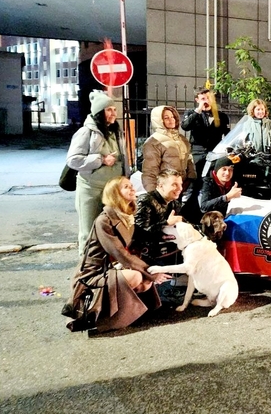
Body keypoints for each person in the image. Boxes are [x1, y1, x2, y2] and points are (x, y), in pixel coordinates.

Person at [61, 176, 171, 333]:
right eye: (126, 186)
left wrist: (163, 234)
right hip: (95, 272)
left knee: (145, 282)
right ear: (115, 194)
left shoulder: (126, 216)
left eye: (131, 185)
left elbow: (142, 235)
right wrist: (151, 271)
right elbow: (120, 253)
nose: (132, 188)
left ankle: (125, 314)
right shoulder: (104, 220)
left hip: (114, 266)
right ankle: (105, 318)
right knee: (137, 277)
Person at [67, 90, 130, 256]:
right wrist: (101, 160)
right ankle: (87, 265)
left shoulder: (116, 131)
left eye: (114, 110)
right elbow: (73, 160)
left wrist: (126, 177)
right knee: (89, 229)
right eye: (109, 110)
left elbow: (123, 157)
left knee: (112, 228)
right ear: (99, 112)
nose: (113, 113)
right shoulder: (86, 132)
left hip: (112, 190)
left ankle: (107, 263)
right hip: (91, 188)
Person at [133, 169, 184, 265]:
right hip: (149, 255)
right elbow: (140, 233)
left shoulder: (175, 204)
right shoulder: (145, 201)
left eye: (180, 184)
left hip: (171, 250)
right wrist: (166, 223)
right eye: (174, 184)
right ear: (161, 186)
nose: (180, 188)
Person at [141, 105, 196, 194]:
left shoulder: (182, 139)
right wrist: (153, 193)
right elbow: (150, 170)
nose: (171, 120)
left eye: (173, 117)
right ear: (159, 120)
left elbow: (189, 159)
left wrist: (191, 178)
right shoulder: (154, 142)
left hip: (183, 186)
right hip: (165, 188)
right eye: (166, 118)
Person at [181, 88, 230, 171]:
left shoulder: (222, 116)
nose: (206, 101)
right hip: (198, 152)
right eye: (203, 99)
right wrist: (198, 111)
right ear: (197, 100)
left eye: (209, 98)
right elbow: (185, 127)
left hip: (215, 151)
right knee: (197, 175)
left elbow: (227, 134)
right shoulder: (191, 113)